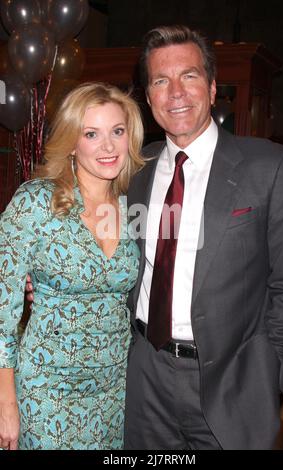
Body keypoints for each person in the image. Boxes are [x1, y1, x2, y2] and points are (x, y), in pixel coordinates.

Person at [123, 25, 283, 450]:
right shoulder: (132, 168)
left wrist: (273, 372)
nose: (176, 93)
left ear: (213, 86)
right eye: (161, 81)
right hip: (144, 376)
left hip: (233, 383)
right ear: (148, 98)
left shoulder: (271, 167)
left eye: (189, 76)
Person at [0, 82, 144, 450]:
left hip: (115, 390)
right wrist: (6, 403)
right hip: (46, 389)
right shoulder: (35, 202)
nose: (108, 146)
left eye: (117, 131)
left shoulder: (134, 207)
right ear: (72, 142)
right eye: (91, 134)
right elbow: (3, 309)